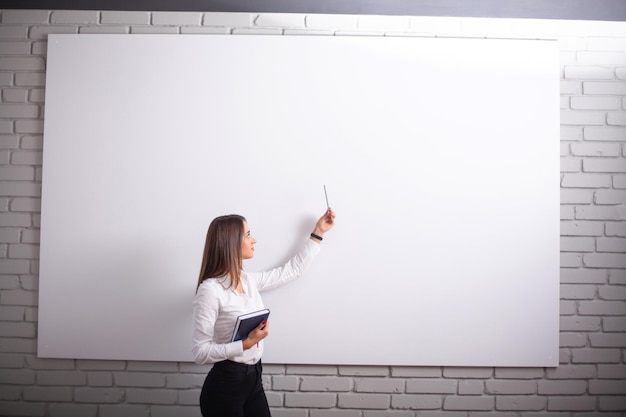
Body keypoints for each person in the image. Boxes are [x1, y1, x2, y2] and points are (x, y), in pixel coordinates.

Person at [192, 208, 336, 417]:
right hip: (225, 387)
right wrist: (245, 344)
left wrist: (318, 232)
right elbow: (200, 352)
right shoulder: (210, 290)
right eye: (248, 235)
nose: (254, 240)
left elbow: (291, 271)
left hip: (253, 379)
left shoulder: (247, 280)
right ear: (231, 242)